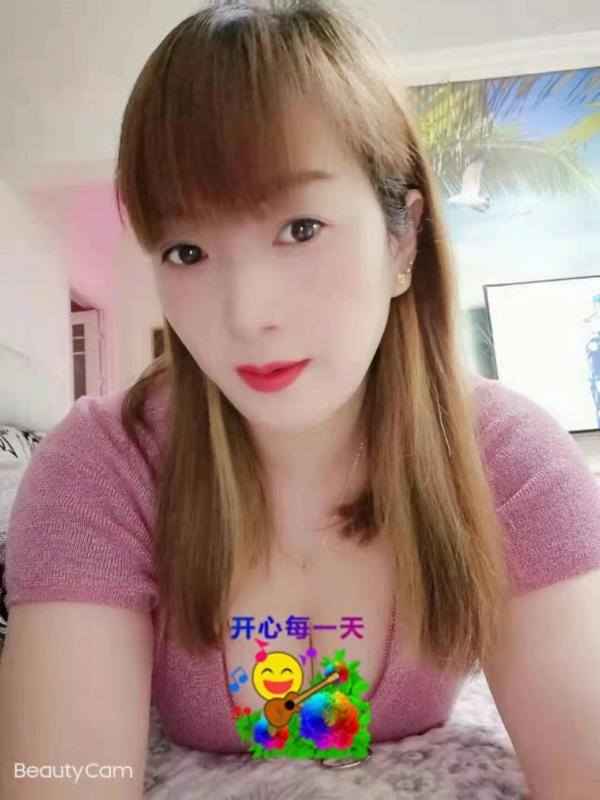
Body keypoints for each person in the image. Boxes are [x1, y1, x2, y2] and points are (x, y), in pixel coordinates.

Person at [2, 2, 600, 797]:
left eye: (301, 228)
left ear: (402, 240)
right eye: (187, 250)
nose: (247, 314)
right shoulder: (101, 470)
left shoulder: (512, 463)